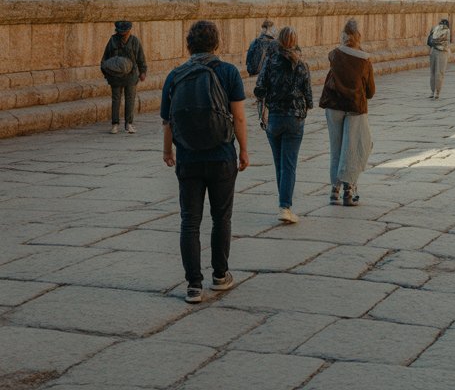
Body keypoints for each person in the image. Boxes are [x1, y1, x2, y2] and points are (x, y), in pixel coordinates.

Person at [161, 20, 248, 305]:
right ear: (216, 44)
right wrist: (243, 150)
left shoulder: (175, 76)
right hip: (222, 155)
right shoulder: (229, 72)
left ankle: (193, 286)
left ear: (188, 45)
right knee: (221, 218)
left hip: (188, 157)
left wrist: (167, 152)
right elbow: (238, 118)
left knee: (190, 222)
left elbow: (168, 122)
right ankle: (220, 275)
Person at [254, 26, 312, 224]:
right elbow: (310, 98)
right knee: (289, 165)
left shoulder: (270, 62)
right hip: (295, 120)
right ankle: (285, 207)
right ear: (295, 42)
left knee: (279, 164)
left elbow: (259, 89)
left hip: (275, 119)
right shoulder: (302, 65)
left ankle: (283, 204)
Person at [319, 18, 376, 206]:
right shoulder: (365, 60)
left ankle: (334, 191)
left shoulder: (334, 54)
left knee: (336, 148)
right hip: (355, 108)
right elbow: (371, 91)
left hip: (333, 105)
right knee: (351, 148)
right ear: (358, 36)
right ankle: (348, 191)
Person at [100, 20, 147, 134]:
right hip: (115, 76)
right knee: (116, 99)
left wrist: (143, 71)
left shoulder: (135, 41)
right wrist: (106, 73)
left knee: (130, 99)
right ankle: (115, 124)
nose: (123, 34)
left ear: (129, 30)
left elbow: (141, 58)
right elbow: (105, 58)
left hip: (131, 75)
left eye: (125, 32)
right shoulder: (112, 41)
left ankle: (128, 124)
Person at [427, 18, 451, 99]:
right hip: (442, 52)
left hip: (433, 51)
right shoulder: (447, 30)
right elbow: (447, 42)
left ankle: (432, 91)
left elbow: (429, 41)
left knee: (432, 72)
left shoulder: (434, 28)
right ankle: (437, 92)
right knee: (440, 73)